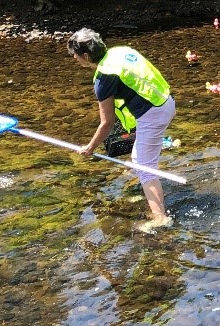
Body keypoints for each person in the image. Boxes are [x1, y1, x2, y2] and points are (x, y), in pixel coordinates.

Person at [67, 28, 176, 233]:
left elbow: (107, 123)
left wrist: (90, 148)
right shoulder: (120, 51)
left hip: (153, 114)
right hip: (166, 101)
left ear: (86, 56)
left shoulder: (103, 78)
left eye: (75, 55)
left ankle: (160, 219)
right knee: (140, 158)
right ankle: (149, 194)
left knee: (145, 167)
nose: (75, 59)